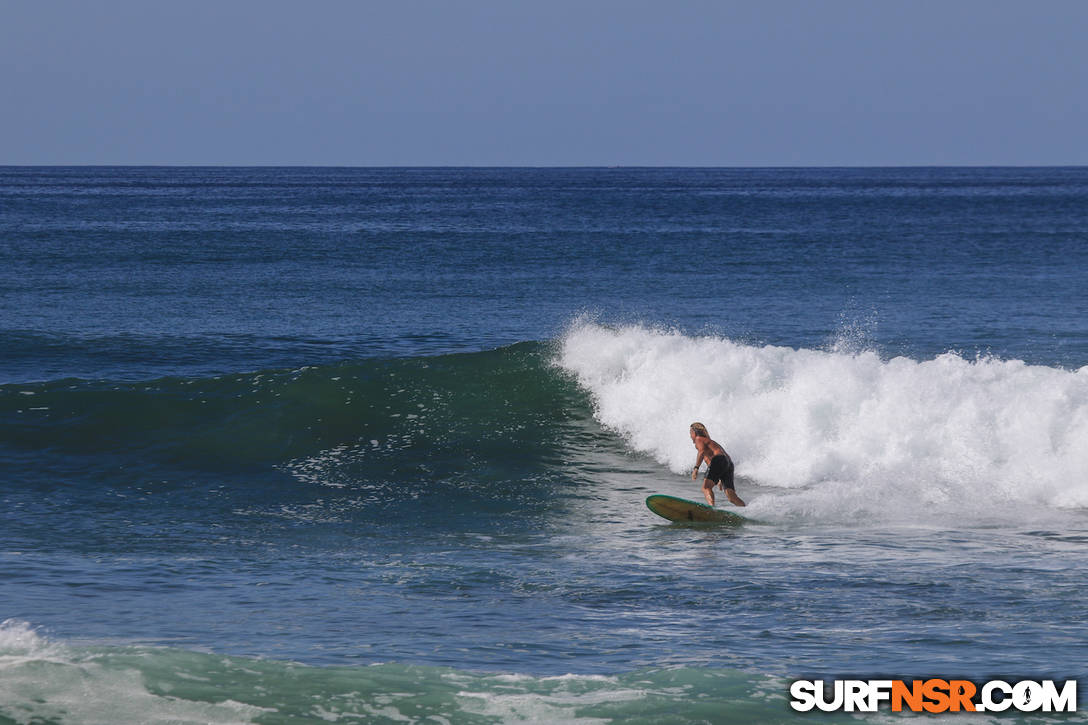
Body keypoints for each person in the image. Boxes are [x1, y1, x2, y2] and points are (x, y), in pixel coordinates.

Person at [689, 422, 745, 507]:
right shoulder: (709, 442)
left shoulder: (699, 439)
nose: (690, 436)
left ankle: (712, 508)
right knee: (731, 497)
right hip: (728, 464)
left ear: (694, 432)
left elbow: (702, 452)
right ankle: (744, 509)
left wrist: (696, 468)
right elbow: (709, 461)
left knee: (706, 488)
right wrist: (718, 477)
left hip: (719, 460)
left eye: (690, 433)